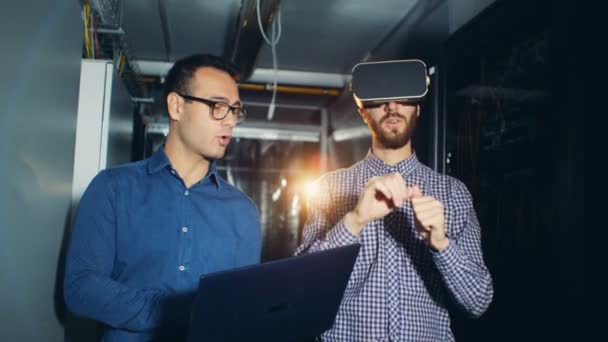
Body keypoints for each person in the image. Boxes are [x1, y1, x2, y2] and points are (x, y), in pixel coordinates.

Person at [64, 54, 262, 341]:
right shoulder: (112, 188)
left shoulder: (243, 212)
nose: (230, 120)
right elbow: (81, 288)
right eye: (218, 106)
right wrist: (174, 311)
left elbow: (243, 307)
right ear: (176, 106)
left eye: (235, 110)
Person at [295, 80, 493, 341]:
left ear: (418, 108)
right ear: (363, 111)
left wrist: (441, 245)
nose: (392, 106)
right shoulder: (330, 188)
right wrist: (355, 221)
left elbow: (478, 302)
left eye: (403, 96)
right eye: (380, 99)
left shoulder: (453, 193)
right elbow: (302, 291)